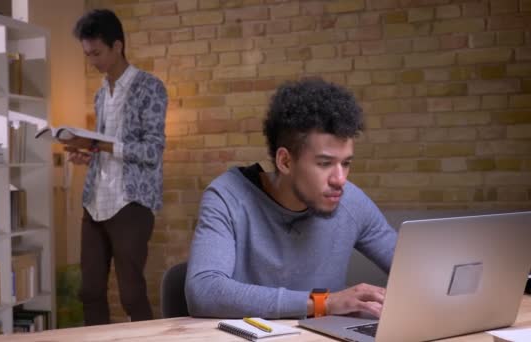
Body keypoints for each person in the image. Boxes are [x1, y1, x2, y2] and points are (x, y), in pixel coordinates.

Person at [185, 79, 397, 319]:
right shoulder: (228, 197)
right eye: (325, 163)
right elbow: (204, 291)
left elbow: (414, 267)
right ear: (285, 161)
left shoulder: (351, 202)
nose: (340, 179)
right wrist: (322, 303)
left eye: (346, 163)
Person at [67, 9, 167, 325]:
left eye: (97, 53)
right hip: (95, 202)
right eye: (87, 54)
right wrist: (88, 153)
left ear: (117, 46)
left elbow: (152, 150)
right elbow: (105, 147)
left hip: (131, 203)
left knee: (131, 293)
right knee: (91, 291)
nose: (92, 61)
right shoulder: (100, 95)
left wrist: (104, 146)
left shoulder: (149, 87)